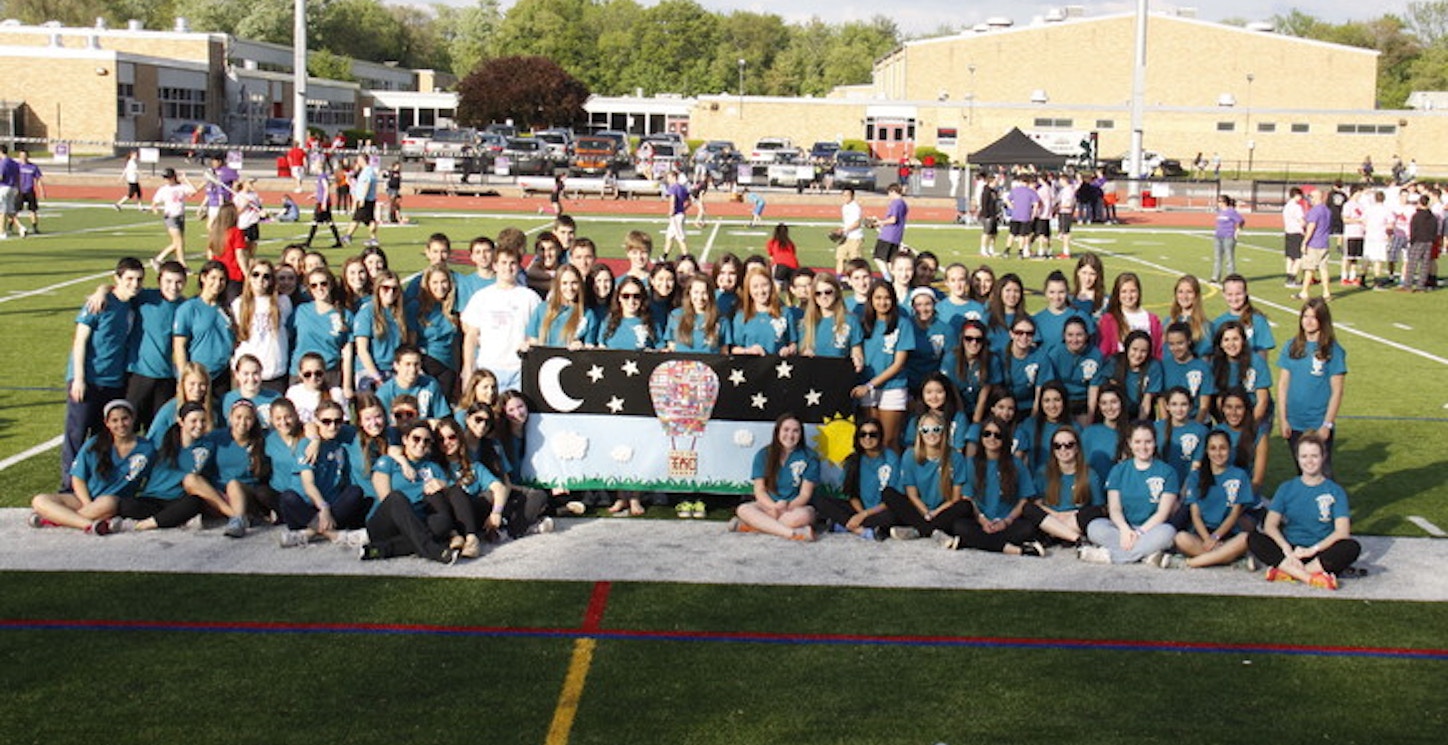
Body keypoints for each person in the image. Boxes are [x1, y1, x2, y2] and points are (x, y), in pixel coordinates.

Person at [938, 415, 1080, 555]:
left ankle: (971, 542)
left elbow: (1024, 500)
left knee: (1028, 528)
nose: (991, 438)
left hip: (1008, 521)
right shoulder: (971, 463)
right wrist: (982, 520)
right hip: (981, 520)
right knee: (960, 526)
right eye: (987, 434)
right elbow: (968, 498)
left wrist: (1006, 521)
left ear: (1005, 439)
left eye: (997, 435)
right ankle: (1013, 549)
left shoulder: (1016, 463)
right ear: (981, 438)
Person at [60, 258, 144, 491]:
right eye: (128, 279)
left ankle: (96, 484)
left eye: (138, 279)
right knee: (76, 436)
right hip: (89, 379)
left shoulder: (131, 304)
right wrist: (78, 378)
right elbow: (80, 341)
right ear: (117, 279)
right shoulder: (100, 303)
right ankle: (68, 487)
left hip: (114, 382)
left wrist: (103, 287)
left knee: (103, 437)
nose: (134, 284)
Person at [1247, 434, 1361, 589]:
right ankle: (1309, 577)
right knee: (1254, 539)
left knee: (1351, 547)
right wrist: (1286, 549)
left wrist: (1311, 550)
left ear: (1323, 457)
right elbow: (1270, 525)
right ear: (1297, 458)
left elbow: (1342, 532)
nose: (1309, 461)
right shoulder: (1286, 488)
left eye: (1314, 456)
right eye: (1304, 456)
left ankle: (1288, 573)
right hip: (1292, 551)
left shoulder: (1335, 491)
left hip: (1320, 551)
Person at [32, 400, 154, 534]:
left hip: (111, 502)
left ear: (133, 419)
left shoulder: (147, 449)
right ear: (107, 423)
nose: (120, 424)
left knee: (108, 502)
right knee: (39, 500)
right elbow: (78, 478)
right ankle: (90, 524)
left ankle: (54, 519)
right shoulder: (95, 443)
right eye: (114, 420)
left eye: (125, 419)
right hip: (84, 499)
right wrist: (87, 503)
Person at [1079, 422, 1180, 566]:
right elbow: (1114, 509)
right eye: (1137, 442)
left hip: (1151, 530)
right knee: (1094, 527)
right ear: (1130, 443)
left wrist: (1139, 533)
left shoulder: (1168, 472)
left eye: (1148, 442)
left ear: (1155, 443)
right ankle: (1145, 555)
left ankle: (1111, 556)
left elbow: (1162, 514)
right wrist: (1125, 530)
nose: (1143, 447)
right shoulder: (1118, 470)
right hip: (1122, 529)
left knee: (1168, 532)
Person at [361, 421, 461, 564]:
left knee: (442, 523)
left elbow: (450, 492)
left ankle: (382, 550)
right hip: (386, 523)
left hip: (416, 524)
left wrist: (443, 484)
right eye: (416, 438)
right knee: (396, 497)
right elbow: (385, 499)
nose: (421, 444)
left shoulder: (433, 468)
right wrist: (404, 463)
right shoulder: (388, 462)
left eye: (426, 441)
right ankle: (431, 549)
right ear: (405, 439)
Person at [1276, 298, 1347, 470]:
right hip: (1294, 422)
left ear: (1323, 320)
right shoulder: (1291, 347)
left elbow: (1337, 391)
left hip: (1317, 423)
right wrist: (1283, 419)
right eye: (1305, 316)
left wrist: (1327, 424)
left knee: (1322, 473)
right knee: (1302, 472)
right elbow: (1283, 385)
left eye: (1314, 317)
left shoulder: (1332, 350)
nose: (1308, 321)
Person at [881, 411, 973, 541]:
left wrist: (935, 513)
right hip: (918, 509)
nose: (931, 434)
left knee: (965, 506)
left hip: (943, 511)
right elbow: (911, 494)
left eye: (936, 429)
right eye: (925, 430)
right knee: (888, 493)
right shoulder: (909, 455)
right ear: (920, 433)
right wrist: (925, 512)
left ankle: (918, 530)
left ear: (943, 432)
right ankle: (932, 530)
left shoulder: (955, 457)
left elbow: (955, 498)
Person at [461, 246, 540, 393]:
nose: (508, 268)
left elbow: (539, 334)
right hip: (489, 369)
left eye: (512, 263)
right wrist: (468, 369)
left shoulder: (530, 297)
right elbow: (471, 335)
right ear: (495, 266)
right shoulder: (482, 297)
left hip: (519, 369)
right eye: (503, 263)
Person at [1172, 430, 1256, 568]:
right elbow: (1195, 514)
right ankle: (1228, 558)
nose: (1218, 453)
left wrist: (1215, 537)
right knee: (1181, 538)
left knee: (1244, 539)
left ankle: (1193, 562)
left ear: (1229, 449)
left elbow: (1234, 514)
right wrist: (1207, 539)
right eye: (1213, 448)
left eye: (1222, 448)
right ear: (1206, 451)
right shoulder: (1196, 476)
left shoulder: (1240, 475)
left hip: (1228, 533)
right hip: (1202, 533)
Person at [729, 414, 820, 541]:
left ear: (801, 434)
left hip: (795, 508)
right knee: (743, 509)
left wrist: (786, 506)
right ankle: (793, 533)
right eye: (786, 430)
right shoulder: (763, 454)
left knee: (803, 516)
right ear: (777, 431)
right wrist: (773, 507)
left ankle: (751, 526)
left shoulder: (810, 457)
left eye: (795, 431)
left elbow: (805, 495)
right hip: (768, 505)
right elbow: (759, 490)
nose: (790, 435)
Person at [812, 417, 898, 541]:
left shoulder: (891, 458)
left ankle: (843, 525)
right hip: (859, 508)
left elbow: (893, 497)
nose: (867, 438)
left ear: (880, 437)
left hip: (881, 509)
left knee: (893, 516)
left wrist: (864, 515)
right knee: (819, 500)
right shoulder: (853, 460)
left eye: (872, 434)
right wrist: (860, 514)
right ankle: (861, 530)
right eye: (863, 434)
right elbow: (852, 495)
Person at [853, 280, 913, 448]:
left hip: (892, 387)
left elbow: (899, 364)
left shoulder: (903, 324)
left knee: (888, 441)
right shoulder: (861, 323)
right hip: (865, 387)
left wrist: (870, 385)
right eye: (878, 297)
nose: (882, 302)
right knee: (869, 440)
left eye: (887, 298)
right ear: (870, 299)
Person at [291, 268, 354, 397]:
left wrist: (347, 385)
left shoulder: (344, 315)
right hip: (301, 373)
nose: (319, 288)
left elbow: (347, 353)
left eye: (323, 283)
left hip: (329, 374)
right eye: (314, 285)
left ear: (330, 285)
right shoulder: (300, 311)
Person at [1035, 424, 1106, 538]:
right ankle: (1071, 537)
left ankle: (1058, 534)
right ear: (1053, 449)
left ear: (1077, 448)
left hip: (1075, 520)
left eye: (1069, 445)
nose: (1063, 449)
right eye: (1057, 445)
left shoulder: (1090, 474)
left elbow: (1099, 508)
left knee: (1095, 513)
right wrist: (1057, 515)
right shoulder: (1043, 472)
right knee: (1028, 509)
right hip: (1051, 519)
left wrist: (1069, 515)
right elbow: (1036, 503)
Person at [407, 264, 462, 400]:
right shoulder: (417, 307)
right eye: (435, 282)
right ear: (427, 284)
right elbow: (411, 342)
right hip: (427, 363)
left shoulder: (454, 306)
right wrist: (416, 367)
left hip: (449, 366)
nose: (440, 287)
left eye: (444, 282)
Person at [354, 270, 409, 390]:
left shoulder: (401, 314)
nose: (390, 292)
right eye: (386, 288)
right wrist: (376, 377)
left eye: (395, 289)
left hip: (394, 369)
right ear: (377, 289)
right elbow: (362, 350)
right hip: (369, 370)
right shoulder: (367, 313)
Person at [942, 319, 999, 423]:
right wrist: (961, 418)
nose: (974, 343)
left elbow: (986, 392)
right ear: (962, 340)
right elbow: (951, 388)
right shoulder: (950, 359)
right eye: (969, 339)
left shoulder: (992, 360)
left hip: (984, 409)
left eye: (979, 339)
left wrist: (976, 421)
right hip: (955, 406)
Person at [729, 266, 794, 356]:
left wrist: (789, 350)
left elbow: (793, 342)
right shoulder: (741, 316)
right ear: (749, 290)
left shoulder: (784, 312)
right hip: (752, 367)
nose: (761, 291)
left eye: (764, 285)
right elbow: (734, 348)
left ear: (771, 286)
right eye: (755, 287)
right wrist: (748, 351)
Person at [1214, 388, 1269, 493]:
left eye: (1239, 407)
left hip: (1247, 494)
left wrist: (1239, 503)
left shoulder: (1258, 433)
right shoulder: (1217, 431)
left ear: (1246, 409)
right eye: (1228, 407)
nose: (1233, 413)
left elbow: (1258, 479)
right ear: (1222, 409)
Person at [1096, 272, 1161, 358]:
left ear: (1139, 292)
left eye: (1133, 291)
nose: (1129, 296)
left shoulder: (1152, 320)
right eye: (1124, 291)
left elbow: (1158, 352)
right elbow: (1104, 352)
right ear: (1117, 294)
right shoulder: (1109, 320)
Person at [526, 264, 590, 349]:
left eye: (574, 283)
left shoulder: (587, 314)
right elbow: (533, 342)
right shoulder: (542, 309)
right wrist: (526, 346)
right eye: (564, 283)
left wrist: (582, 347)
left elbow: (590, 347)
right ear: (557, 285)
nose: (569, 288)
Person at [1103, 330, 1163, 421]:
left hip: (1142, 413)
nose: (1138, 355)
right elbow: (1111, 395)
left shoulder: (1153, 366)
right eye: (1134, 349)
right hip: (1118, 412)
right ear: (1127, 348)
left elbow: (1147, 401)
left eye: (1143, 351)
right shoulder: (1115, 362)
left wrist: (1139, 425)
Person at [666, 274, 729, 353]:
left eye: (704, 293)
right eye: (696, 292)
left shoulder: (721, 320)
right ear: (689, 293)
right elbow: (671, 348)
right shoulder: (675, 316)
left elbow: (724, 352)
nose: (700, 297)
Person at [591, 275, 655, 352]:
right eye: (626, 296)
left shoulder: (651, 322)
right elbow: (601, 350)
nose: (631, 301)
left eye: (636, 296)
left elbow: (660, 351)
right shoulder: (607, 322)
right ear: (619, 298)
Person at [150, 168, 196, 270]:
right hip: (170, 217)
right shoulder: (163, 189)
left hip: (180, 216)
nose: (167, 180)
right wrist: (155, 209)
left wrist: (185, 179)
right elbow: (154, 202)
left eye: (168, 178)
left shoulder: (181, 187)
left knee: (178, 243)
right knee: (179, 241)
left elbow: (193, 192)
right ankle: (182, 264)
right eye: (165, 178)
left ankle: (158, 259)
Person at [1298, 189, 1334, 301]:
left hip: (1314, 243)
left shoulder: (1315, 211)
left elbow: (1311, 227)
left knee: (1309, 268)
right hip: (1324, 242)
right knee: (1323, 269)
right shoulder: (1327, 210)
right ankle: (1326, 292)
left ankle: (1304, 292)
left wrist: (1305, 242)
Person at [871, 183, 908, 277]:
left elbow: (893, 219)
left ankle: (887, 277)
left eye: (889, 193)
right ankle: (894, 278)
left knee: (878, 257)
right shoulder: (903, 203)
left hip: (888, 236)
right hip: (897, 236)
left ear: (893, 192)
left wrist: (879, 223)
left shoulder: (895, 203)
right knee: (889, 260)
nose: (888, 196)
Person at [343, 154, 380, 247]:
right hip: (368, 199)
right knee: (370, 219)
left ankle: (348, 236)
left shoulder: (367, 171)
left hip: (366, 199)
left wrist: (362, 198)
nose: (357, 161)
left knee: (357, 218)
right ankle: (373, 239)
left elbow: (367, 184)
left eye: (359, 159)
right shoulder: (366, 171)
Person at [1212, 195, 1245, 284]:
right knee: (1217, 258)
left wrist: (1237, 231)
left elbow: (1241, 220)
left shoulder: (1231, 211)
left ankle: (1231, 277)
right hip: (1218, 236)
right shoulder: (1220, 211)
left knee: (1229, 258)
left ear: (1224, 202)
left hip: (1228, 237)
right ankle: (1215, 277)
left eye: (1220, 201)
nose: (1218, 203)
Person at [1282, 186, 1306, 289]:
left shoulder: (1287, 206)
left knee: (1290, 257)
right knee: (1299, 257)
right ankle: (1292, 278)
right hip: (1297, 232)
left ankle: (1288, 277)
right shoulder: (1297, 207)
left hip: (1288, 232)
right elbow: (1301, 221)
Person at [662, 171, 691, 259]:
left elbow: (673, 199)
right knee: (669, 236)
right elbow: (689, 201)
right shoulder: (682, 188)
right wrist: (683, 209)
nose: (668, 179)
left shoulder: (673, 188)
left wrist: (672, 210)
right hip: (680, 214)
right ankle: (664, 256)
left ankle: (687, 257)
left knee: (680, 237)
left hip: (676, 216)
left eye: (669, 177)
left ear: (674, 177)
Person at [836, 188, 865, 274]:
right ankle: (838, 279)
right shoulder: (844, 207)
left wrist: (845, 230)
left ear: (852, 196)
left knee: (854, 261)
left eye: (847, 195)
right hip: (845, 237)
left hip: (855, 237)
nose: (845, 197)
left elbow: (857, 223)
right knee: (840, 258)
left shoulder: (855, 207)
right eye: (843, 195)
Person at [14, 149, 42, 234]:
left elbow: (38, 179)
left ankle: (35, 227)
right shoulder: (16, 166)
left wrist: (41, 190)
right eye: (21, 156)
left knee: (33, 210)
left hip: (30, 191)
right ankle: (10, 226)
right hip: (20, 191)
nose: (23, 157)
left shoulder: (33, 167)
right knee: (14, 210)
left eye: (24, 155)